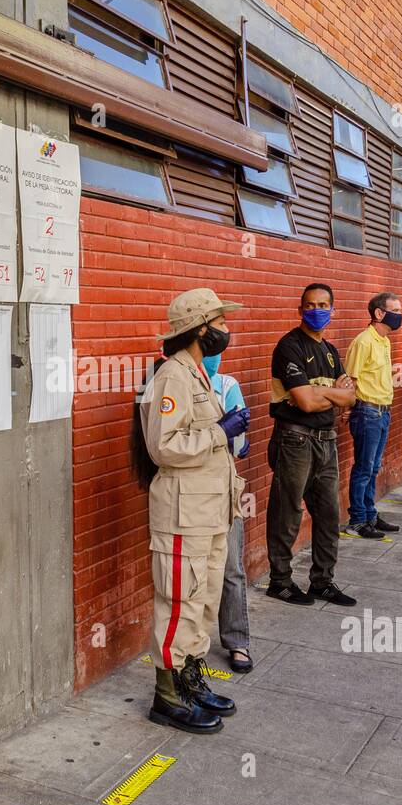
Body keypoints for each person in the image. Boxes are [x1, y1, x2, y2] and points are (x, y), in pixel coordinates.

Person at [133, 288, 246, 734]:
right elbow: (163, 446)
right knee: (179, 603)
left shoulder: (196, 372)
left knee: (202, 601)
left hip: (209, 512)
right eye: (220, 323)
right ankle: (166, 696)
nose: (225, 330)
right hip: (183, 513)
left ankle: (191, 681)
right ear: (201, 328)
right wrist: (221, 431)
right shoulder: (172, 377)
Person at [265, 282, 358, 606]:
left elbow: (351, 396)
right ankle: (280, 581)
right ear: (300, 308)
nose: (316, 310)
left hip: (326, 441)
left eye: (323, 305)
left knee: (330, 514)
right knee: (287, 512)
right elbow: (304, 402)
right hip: (295, 440)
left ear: (333, 309)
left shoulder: (331, 352)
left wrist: (328, 395)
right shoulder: (289, 347)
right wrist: (333, 395)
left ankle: (322, 581)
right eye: (310, 305)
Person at [203, 350, 254, 673]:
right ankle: (192, 646)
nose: (214, 356)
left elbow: (240, 444)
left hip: (224, 487)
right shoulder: (169, 381)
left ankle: (237, 642)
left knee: (230, 566)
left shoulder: (226, 384)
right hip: (187, 490)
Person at [344, 291, 402, 538]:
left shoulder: (385, 341)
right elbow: (351, 379)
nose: (399, 316)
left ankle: (369, 514)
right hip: (367, 411)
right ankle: (357, 520)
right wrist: (347, 410)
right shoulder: (363, 341)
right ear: (380, 313)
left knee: (374, 466)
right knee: (364, 467)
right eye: (396, 311)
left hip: (383, 411)